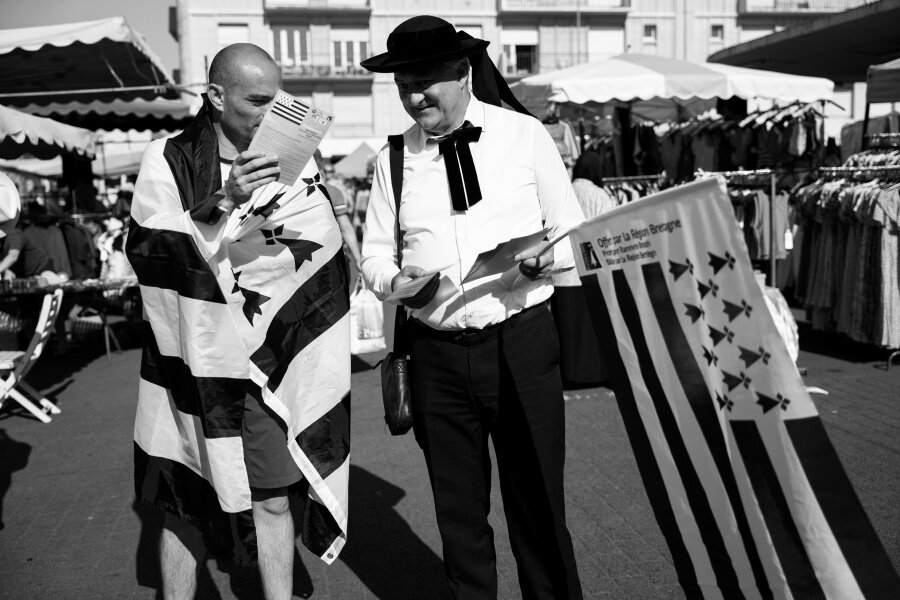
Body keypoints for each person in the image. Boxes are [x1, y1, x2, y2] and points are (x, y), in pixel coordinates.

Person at [360, 16, 584, 600]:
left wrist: (545, 259)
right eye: (402, 85)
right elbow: (374, 256)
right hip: (435, 357)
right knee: (459, 518)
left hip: (522, 340)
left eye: (424, 82)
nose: (413, 98)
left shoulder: (523, 134)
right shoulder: (392, 160)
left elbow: (571, 230)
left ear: (462, 73)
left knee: (538, 507)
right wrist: (395, 283)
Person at [127, 43, 350, 600]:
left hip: (272, 354)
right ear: (216, 95)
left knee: (275, 496)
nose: (271, 115)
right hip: (196, 355)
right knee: (186, 498)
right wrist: (226, 199)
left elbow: (314, 239)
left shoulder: (296, 158)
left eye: (279, 101)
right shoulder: (168, 158)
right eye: (257, 101)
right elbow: (153, 249)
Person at [551, 151, 614, 388]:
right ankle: (592, 373)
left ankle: (570, 372)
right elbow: (607, 229)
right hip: (590, 268)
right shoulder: (599, 194)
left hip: (562, 271)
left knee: (568, 326)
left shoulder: (563, 190)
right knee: (591, 326)